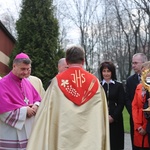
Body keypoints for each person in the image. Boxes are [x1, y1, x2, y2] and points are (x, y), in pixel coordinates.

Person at [27, 46, 110, 150]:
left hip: (64, 141)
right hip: (90, 142)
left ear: (66, 61)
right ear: (83, 61)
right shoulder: (95, 83)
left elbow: (45, 114)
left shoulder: (56, 82)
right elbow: (101, 114)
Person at [0, 52, 41, 149]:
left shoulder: (27, 82)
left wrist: (36, 106)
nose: (26, 72)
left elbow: (38, 99)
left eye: (28, 69)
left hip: (28, 129)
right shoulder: (2, 84)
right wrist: (25, 111)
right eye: (23, 69)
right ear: (14, 66)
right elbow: (3, 110)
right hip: (11, 132)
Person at [99, 61, 125, 150]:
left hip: (116, 119)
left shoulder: (119, 85)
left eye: (108, 71)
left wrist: (113, 117)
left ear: (112, 72)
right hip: (102, 119)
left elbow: (121, 103)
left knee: (115, 143)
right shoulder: (98, 86)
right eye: (104, 71)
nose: (106, 73)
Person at [125, 53, 148, 150]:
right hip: (135, 121)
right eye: (132, 63)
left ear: (144, 63)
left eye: (135, 63)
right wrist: (135, 115)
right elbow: (127, 99)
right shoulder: (130, 80)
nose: (133, 65)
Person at [132, 61, 150, 149]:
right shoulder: (138, 87)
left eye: (146, 72)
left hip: (147, 127)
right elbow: (134, 107)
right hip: (138, 128)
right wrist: (138, 126)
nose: (144, 74)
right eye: (143, 72)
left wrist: (145, 127)